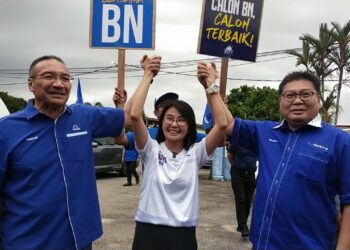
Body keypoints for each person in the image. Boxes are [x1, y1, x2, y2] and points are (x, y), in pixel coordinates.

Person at [0, 55, 131, 249]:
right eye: (49, 76)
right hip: (25, 242)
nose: (59, 84)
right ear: (30, 84)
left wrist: (146, 75)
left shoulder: (84, 115)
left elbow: (129, 118)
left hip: (78, 241)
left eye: (65, 78)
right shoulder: (6, 130)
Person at [219, 69, 350, 249]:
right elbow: (227, 124)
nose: (297, 100)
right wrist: (211, 87)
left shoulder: (340, 141)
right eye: (289, 95)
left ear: (318, 100)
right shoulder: (265, 131)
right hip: (263, 244)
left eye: (305, 94)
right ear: (280, 101)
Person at [125, 56, 227, 250]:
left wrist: (210, 84)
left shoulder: (197, 153)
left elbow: (222, 124)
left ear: (189, 126)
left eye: (181, 120)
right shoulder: (150, 149)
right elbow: (134, 115)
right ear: (161, 122)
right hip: (148, 231)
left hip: (183, 234)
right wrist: (148, 74)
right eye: (169, 118)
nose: (174, 124)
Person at [227, 144, 257, 238]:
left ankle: (241, 225)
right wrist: (236, 167)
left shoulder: (256, 143)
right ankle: (243, 227)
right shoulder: (237, 142)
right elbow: (229, 156)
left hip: (251, 174)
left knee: (248, 201)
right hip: (238, 174)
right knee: (241, 200)